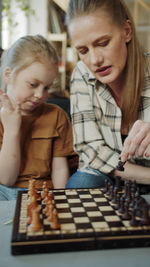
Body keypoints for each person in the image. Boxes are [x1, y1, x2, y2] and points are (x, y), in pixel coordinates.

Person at [65, 0, 150, 189]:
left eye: (103, 43)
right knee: (83, 182)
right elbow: (91, 152)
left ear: (127, 31)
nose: (95, 60)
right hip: (107, 175)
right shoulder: (82, 73)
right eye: (83, 51)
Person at [0, 35, 75, 200]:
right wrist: (11, 130)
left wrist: (62, 199)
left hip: (44, 192)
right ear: (8, 75)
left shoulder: (56, 116)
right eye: (33, 85)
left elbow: (60, 170)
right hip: (4, 192)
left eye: (47, 87)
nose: (40, 95)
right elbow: (6, 179)